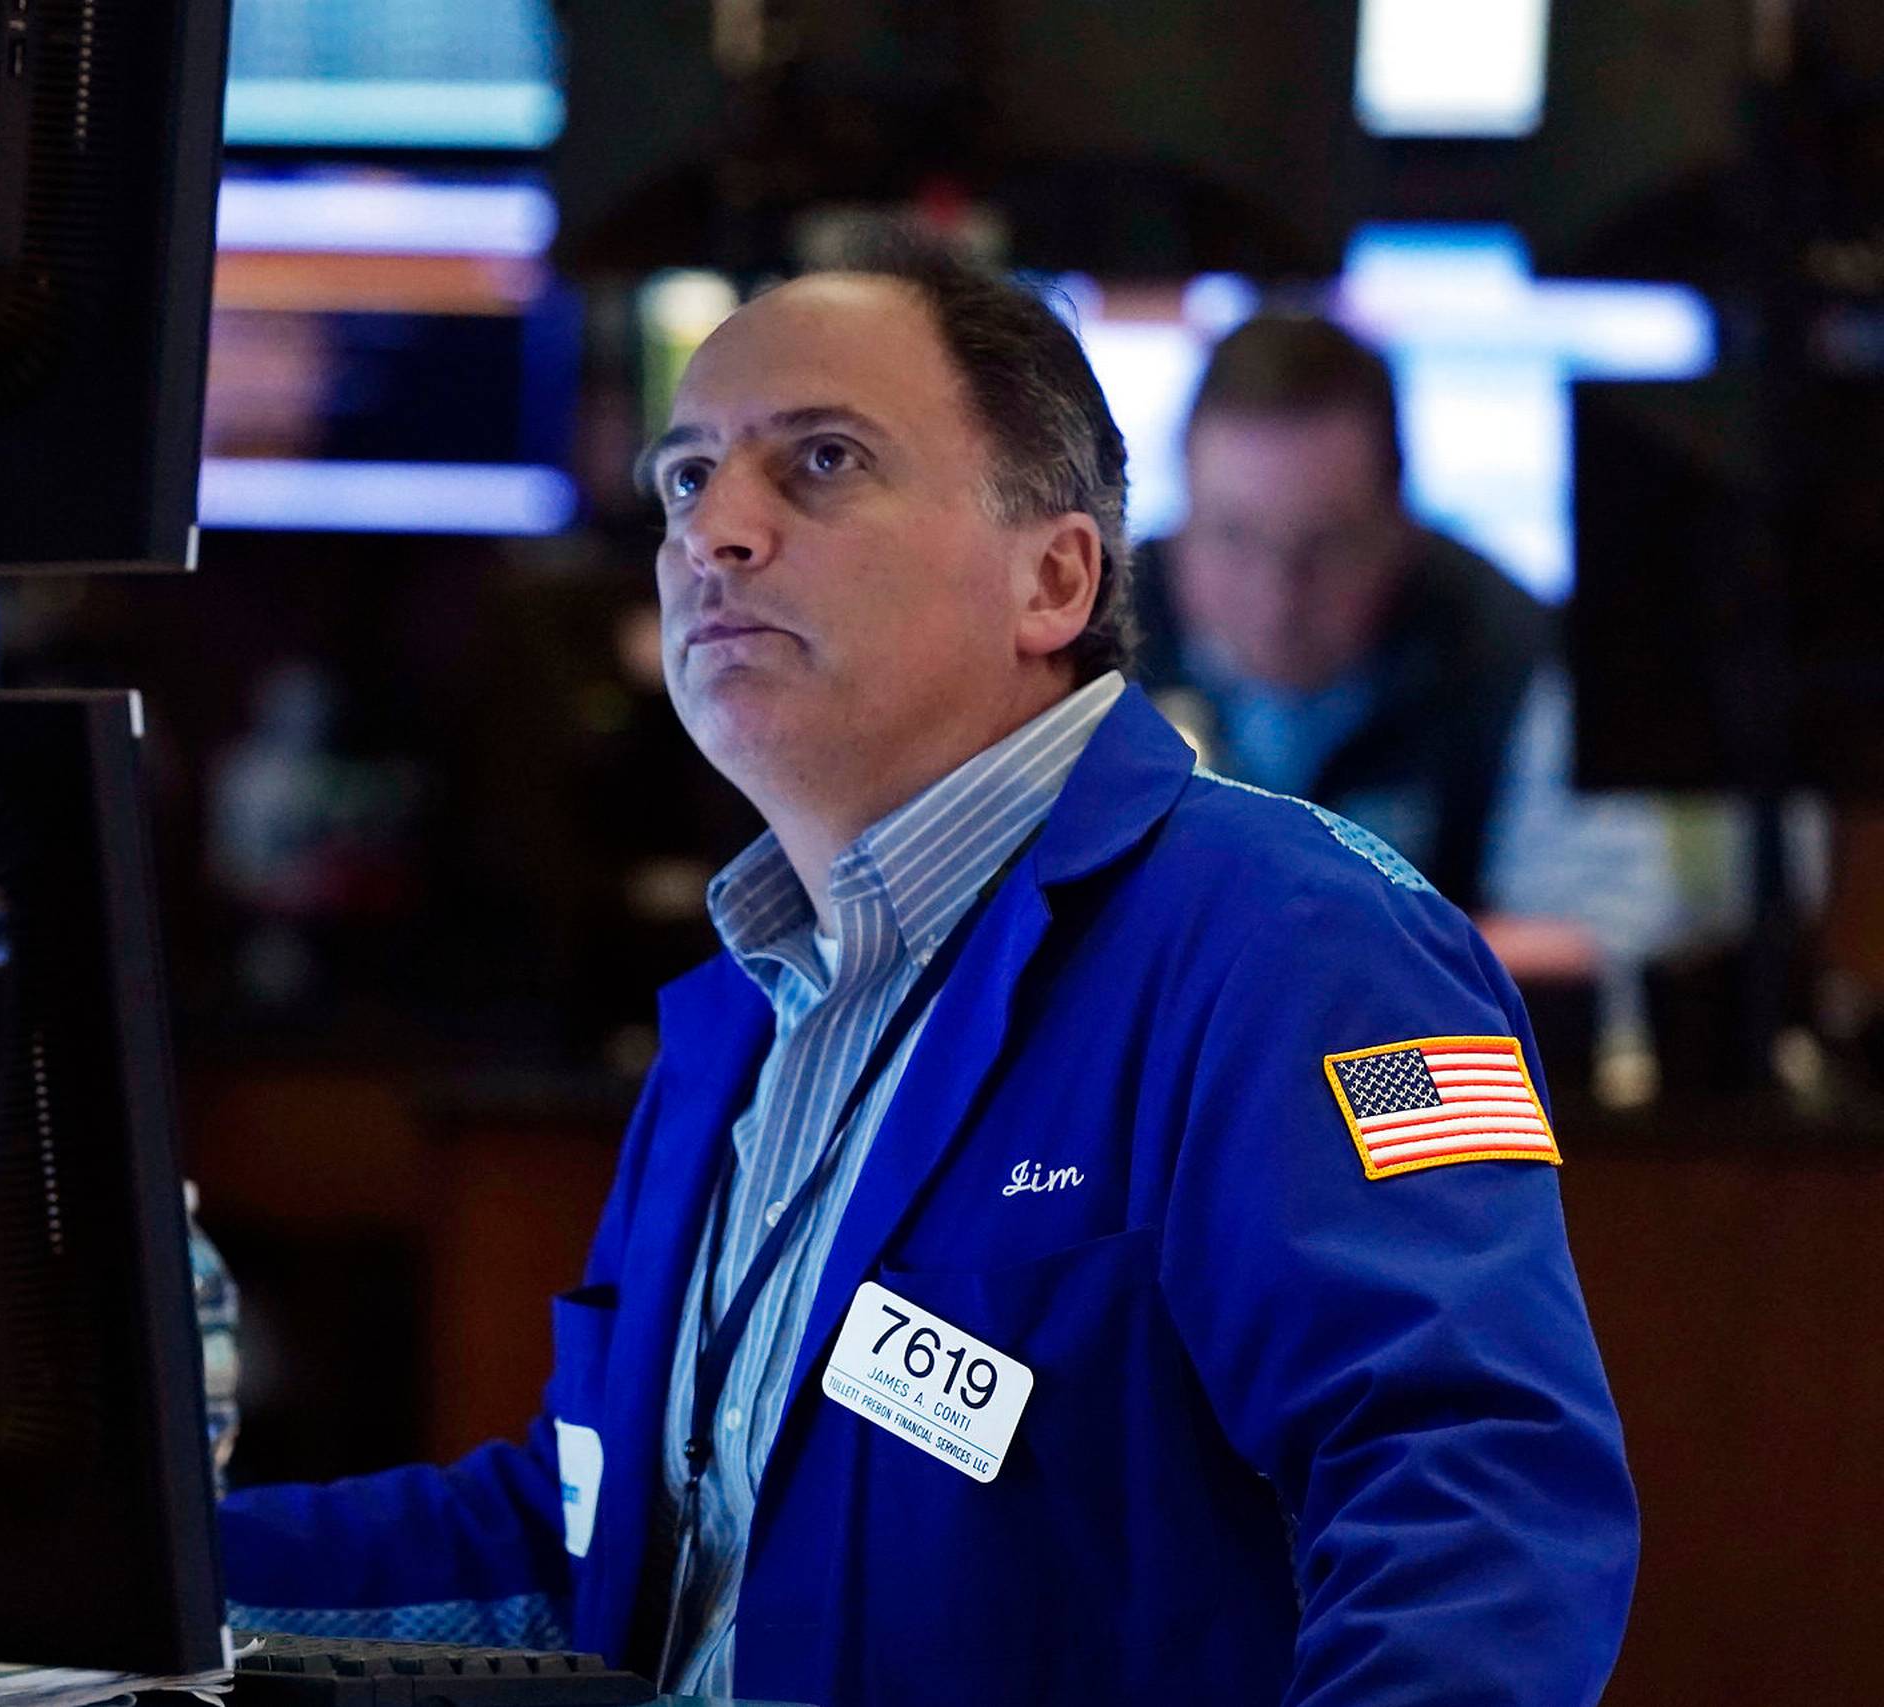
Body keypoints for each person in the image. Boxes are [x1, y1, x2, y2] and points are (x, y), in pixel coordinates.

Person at [217, 242, 1639, 1707]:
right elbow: (591, 1546)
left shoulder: (1297, 941)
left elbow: (1481, 1507)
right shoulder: (748, 1012)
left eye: (822, 461)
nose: (720, 531)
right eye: (688, 479)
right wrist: (100, 1569)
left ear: (1055, 575)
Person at [1132, 314, 1679, 983]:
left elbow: (1605, 939)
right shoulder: (1087, 649)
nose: (1277, 597)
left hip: (1431, 1079)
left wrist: (1297, 965)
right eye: (1233, 537)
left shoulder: (1510, 648)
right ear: (1178, 513)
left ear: (1401, 524)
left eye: (1327, 545)